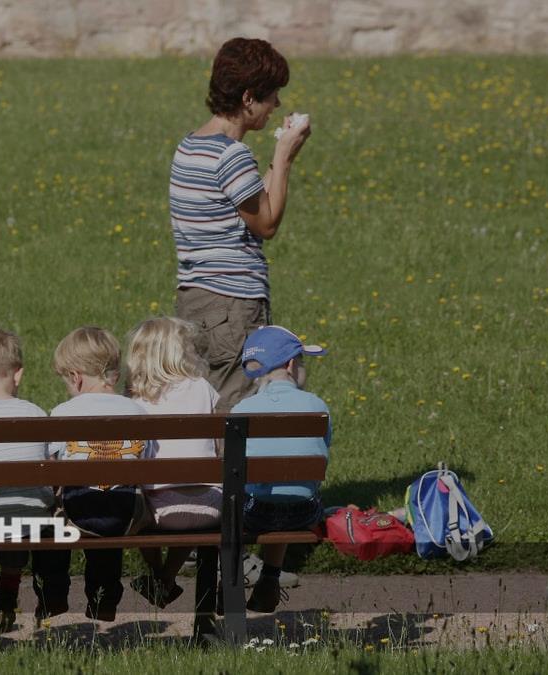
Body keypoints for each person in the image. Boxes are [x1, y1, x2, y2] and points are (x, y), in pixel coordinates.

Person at [170, 37, 312, 412]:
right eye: (272, 96)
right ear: (248, 98)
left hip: (196, 300)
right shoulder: (231, 155)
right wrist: (284, 158)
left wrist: (276, 162)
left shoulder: (190, 145)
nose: (276, 105)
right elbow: (266, 223)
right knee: (234, 410)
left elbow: (249, 205)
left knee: (203, 405)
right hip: (232, 303)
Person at [0, 329, 71, 632]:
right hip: (33, 518)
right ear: (18, 374)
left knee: (0, 507)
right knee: (26, 508)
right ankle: (41, 597)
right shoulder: (36, 413)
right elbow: (53, 469)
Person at [49, 327, 156, 621]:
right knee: (113, 496)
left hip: (77, 512)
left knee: (59, 509)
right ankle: (104, 596)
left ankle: (53, 593)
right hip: (126, 514)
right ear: (114, 375)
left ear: (76, 377)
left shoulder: (62, 412)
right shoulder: (137, 411)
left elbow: (52, 469)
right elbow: (146, 460)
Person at [229, 325, 329, 613]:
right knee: (287, 492)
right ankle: (270, 576)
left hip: (254, 514)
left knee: (247, 497)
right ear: (290, 364)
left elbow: (233, 468)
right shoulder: (317, 406)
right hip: (304, 512)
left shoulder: (241, 410)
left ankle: (228, 584)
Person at [124, 317, 221, 608]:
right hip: (211, 507)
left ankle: (159, 575)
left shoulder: (135, 397)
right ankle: (166, 577)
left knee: (137, 499)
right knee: (191, 499)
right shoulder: (202, 387)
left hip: (159, 512)